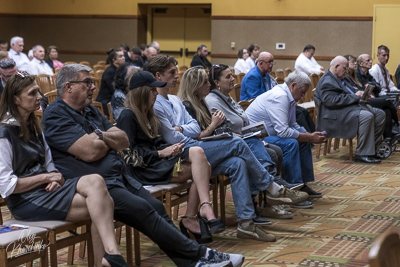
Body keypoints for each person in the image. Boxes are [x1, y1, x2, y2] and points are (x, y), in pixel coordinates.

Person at [42, 64, 244, 267]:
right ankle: (201, 255)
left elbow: (122, 140)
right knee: (144, 210)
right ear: (69, 87)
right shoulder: (56, 114)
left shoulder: (89, 111)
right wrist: (107, 141)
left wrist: (100, 136)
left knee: (157, 206)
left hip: (120, 176)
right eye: (87, 82)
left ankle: (192, 262)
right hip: (97, 185)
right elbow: (90, 151)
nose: (93, 87)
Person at [149, 55, 309, 242]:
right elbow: (172, 137)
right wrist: (189, 131)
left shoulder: (175, 100)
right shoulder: (156, 104)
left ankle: (246, 224)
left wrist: (183, 129)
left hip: (196, 149)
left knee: (237, 163)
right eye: (172, 73)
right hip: (181, 157)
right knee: (237, 142)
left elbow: (194, 128)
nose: (177, 76)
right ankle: (273, 187)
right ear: (158, 75)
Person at [0, 71, 127, 267]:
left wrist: (53, 177)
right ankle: (110, 258)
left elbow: (49, 165)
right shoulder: (4, 134)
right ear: (16, 99)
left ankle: (111, 256)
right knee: (104, 204)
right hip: (25, 200)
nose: (40, 97)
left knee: (95, 181)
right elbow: (6, 186)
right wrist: (45, 178)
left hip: (46, 191)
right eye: (32, 93)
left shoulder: (34, 126)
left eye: (38, 92)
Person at [179, 66, 303, 217]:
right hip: (196, 154)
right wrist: (215, 126)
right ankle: (273, 187)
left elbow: (222, 128)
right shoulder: (189, 105)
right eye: (205, 82)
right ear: (195, 85)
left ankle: (247, 220)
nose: (208, 84)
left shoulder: (203, 102)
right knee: (241, 142)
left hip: (211, 148)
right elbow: (195, 138)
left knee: (240, 162)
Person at [117, 70, 225, 243]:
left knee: (200, 156)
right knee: (205, 166)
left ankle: (196, 213)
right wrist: (161, 152)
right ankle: (197, 213)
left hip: (156, 162)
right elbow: (129, 156)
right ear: (142, 92)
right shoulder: (128, 115)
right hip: (142, 170)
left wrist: (171, 148)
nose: (155, 94)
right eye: (153, 91)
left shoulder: (147, 113)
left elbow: (155, 141)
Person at [246, 70, 326, 196]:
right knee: (291, 143)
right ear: (293, 85)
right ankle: (292, 189)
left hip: (270, 135)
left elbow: (293, 124)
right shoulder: (280, 96)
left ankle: (302, 184)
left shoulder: (289, 96)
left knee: (303, 141)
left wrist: (310, 135)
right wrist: (309, 137)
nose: (303, 96)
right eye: (302, 92)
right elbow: (283, 131)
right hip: (257, 138)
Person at [314, 56, 385, 164]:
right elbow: (331, 101)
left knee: (380, 114)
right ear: (336, 66)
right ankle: (362, 153)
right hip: (334, 115)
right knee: (366, 116)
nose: (347, 71)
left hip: (347, 109)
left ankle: (372, 150)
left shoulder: (343, 77)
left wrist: (362, 93)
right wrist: (355, 96)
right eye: (345, 68)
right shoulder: (327, 81)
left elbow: (354, 90)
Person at [344, 54, 399, 142]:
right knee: (387, 100)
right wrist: (369, 89)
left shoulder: (366, 74)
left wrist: (371, 86)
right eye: (368, 60)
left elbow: (378, 87)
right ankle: (397, 124)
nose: (371, 62)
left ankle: (387, 141)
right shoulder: (355, 75)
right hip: (363, 101)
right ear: (361, 63)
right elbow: (357, 90)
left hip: (370, 98)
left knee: (387, 111)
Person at [96, 49, 125, 116]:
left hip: (113, 99)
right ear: (114, 60)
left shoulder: (119, 70)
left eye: (123, 56)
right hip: (106, 102)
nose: (123, 58)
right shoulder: (110, 72)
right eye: (120, 56)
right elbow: (114, 89)